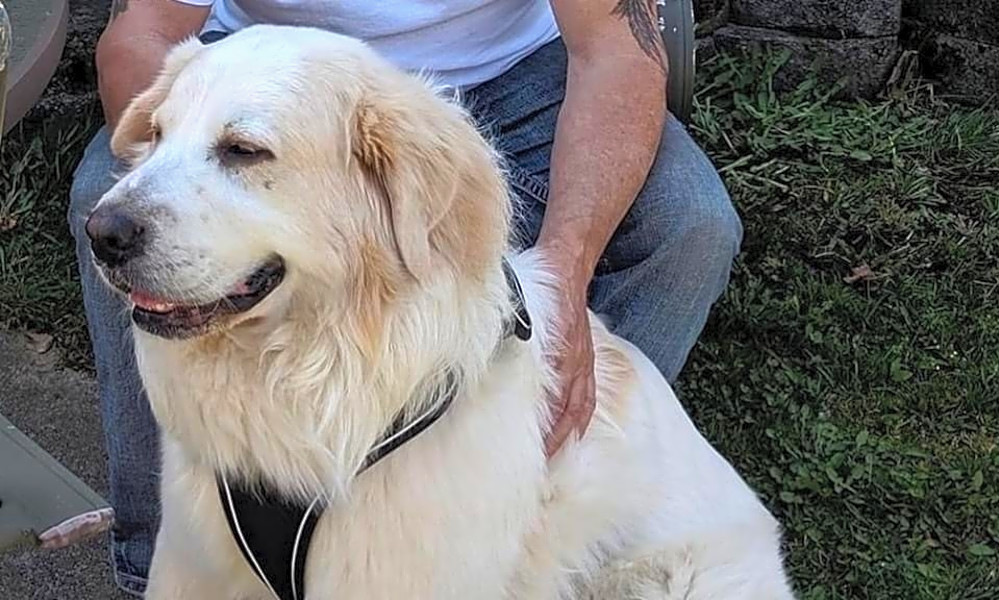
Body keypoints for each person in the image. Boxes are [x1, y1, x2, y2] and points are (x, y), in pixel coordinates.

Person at [68, 0, 741, 595]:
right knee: (110, 199)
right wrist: (174, 171)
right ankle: (174, 547)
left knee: (689, 224)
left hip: (515, 76)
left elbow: (616, 46)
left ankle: (536, 490)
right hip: (268, 78)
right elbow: (144, 28)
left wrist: (565, 271)